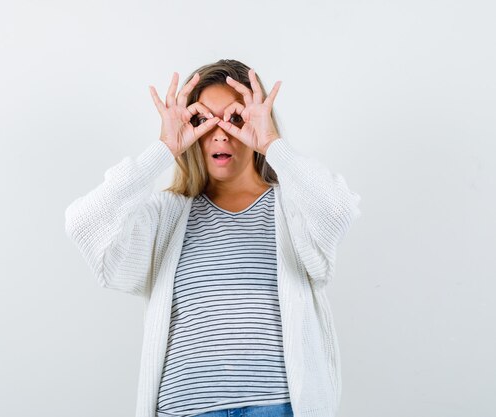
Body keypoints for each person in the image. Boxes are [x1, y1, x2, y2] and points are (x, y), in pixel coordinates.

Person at [64, 59, 362, 417]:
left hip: (276, 407)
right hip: (185, 408)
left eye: (236, 119)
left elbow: (338, 210)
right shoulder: (167, 216)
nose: (221, 133)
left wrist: (272, 144)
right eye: (203, 121)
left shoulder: (292, 207)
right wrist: (164, 148)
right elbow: (84, 223)